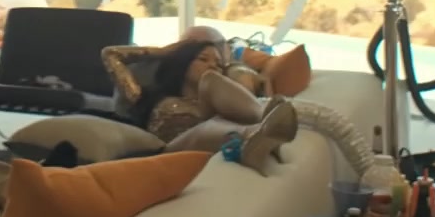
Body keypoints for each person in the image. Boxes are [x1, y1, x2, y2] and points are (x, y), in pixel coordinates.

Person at [101, 39, 298, 171]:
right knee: (209, 126)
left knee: (211, 86)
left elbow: (242, 83)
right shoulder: (145, 96)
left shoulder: (222, 103)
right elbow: (110, 54)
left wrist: (260, 81)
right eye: (203, 59)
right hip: (168, 155)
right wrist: (165, 51)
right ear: (183, 62)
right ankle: (254, 135)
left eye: (219, 64)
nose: (212, 65)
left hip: (213, 146)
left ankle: (264, 121)